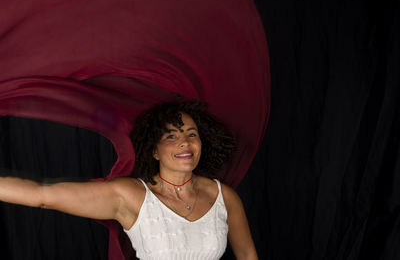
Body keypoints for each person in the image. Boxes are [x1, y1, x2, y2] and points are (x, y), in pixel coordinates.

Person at [0, 98, 258, 260]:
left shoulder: (223, 196)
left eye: (192, 134)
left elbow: (247, 254)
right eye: (171, 136)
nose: (185, 142)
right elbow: (41, 195)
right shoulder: (130, 197)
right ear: (154, 150)